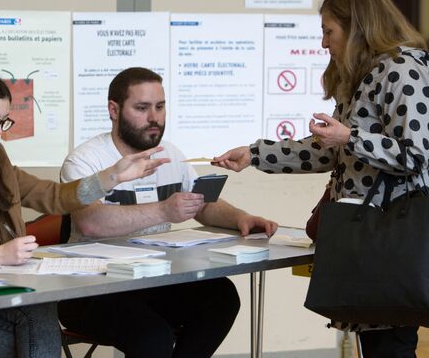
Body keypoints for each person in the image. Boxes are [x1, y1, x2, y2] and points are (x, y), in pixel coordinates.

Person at [213, 0, 429, 357]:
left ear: (358, 27)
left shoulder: (404, 71)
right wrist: (256, 155)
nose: (323, 43)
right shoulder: (364, 73)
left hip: (395, 236)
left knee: (391, 346)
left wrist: (350, 137)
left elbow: (417, 155)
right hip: (369, 236)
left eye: (328, 31)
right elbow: (328, 153)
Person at [0, 69, 169, 358]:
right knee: (31, 332)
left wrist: (111, 176)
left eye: (4, 122)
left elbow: (52, 196)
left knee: (37, 313)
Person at [58, 67, 278, 358]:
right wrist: (164, 210)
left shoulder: (170, 154)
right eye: (142, 108)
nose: (154, 118)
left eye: (160, 107)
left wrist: (241, 218)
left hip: (152, 280)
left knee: (221, 298)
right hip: (91, 289)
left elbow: (203, 203)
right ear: (114, 109)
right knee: (152, 337)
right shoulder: (85, 160)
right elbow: (91, 223)